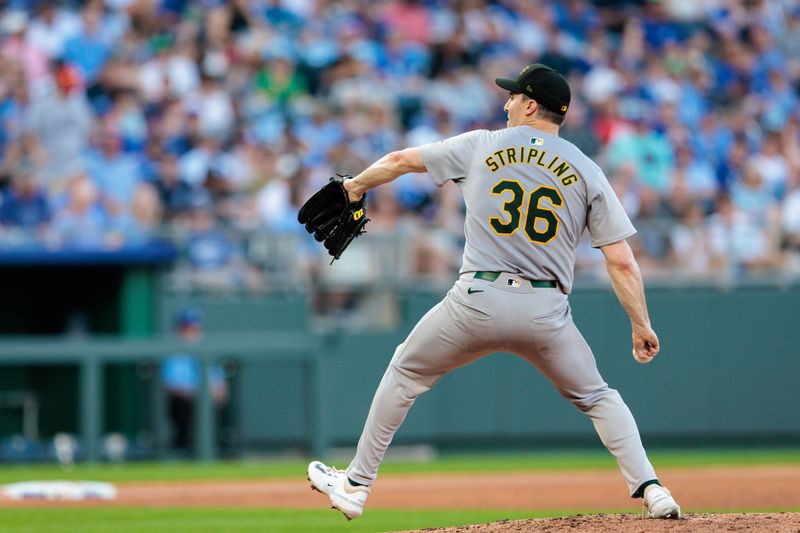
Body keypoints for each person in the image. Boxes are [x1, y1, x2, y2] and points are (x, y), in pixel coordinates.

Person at [307, 64, 681, 521]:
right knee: (599, 397)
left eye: (512, 97)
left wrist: (353, 187)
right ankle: (653, 489)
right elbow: (621, 259)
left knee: (405, 373)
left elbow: (402, 161)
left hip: (476, 301)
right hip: (547, 312)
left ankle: (356, 485)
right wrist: (641, 323)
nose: (505, 104)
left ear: (529, 104)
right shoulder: (587, 169)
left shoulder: (481, 144)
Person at [161, 308, 228, 452]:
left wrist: (213, 395)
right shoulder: (171, 355)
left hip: (209, 403)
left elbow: (221, 388)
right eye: (186, 329)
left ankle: (215, 447)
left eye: (194, 329)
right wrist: (199, 395)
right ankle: (184, 447)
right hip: (183, 404)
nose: (190, 334)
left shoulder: (209, 353)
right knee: (187, 407)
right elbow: (171, 386)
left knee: (215, 408)